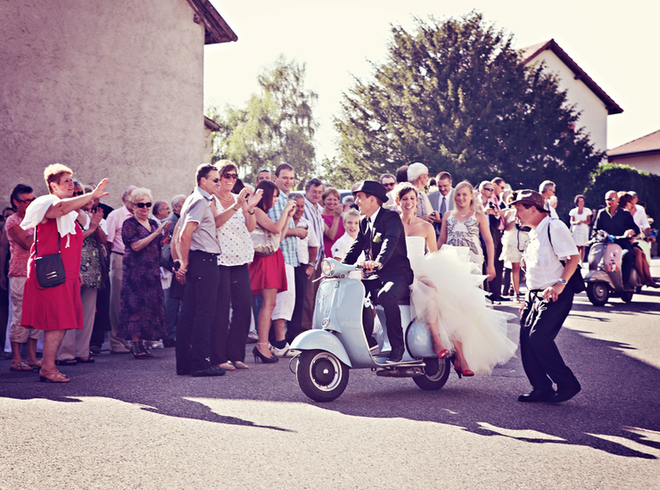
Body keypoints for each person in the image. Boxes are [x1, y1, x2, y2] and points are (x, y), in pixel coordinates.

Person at [20, 164, 109, 382]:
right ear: (53, 185)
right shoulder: (48, 203)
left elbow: (73, 240)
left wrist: (92, 226)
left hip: (66, 273)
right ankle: (48, 369)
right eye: (66, 181)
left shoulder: (70, 211)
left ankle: (48, 367)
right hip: (52, 272)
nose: (71, 184)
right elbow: (58, 210)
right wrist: (92, 194)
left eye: (71, 180)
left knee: (61, 322)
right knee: (56, 322)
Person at [512, 189, 581, 403]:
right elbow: (534, 273)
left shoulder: (555, 226)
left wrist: (560, 286)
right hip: (535, 295)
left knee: (539, 338)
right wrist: (525, 298)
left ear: (533, 209)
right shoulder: (534, 234)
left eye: (519, 210)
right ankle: (541, 388)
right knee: (526, 340)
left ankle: (568, 385)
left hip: (555, 293)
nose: (516, 215)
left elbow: (573, 258)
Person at [343, 181, 413, 363]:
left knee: (386, 295)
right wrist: (339, 267)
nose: (356, 201)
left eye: (359, 197)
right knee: (352, 290)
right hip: (378, 275)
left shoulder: (390, 217)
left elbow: (390, 242)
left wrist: (378, 262)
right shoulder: (364, 222)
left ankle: (397, 348)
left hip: (398, 274)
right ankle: (366, 340)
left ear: (372, 199)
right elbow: (356, 247)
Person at [173, 164, 225, 377]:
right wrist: (184, 262)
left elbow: (181, 234)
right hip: (203, 260)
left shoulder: (193, 200)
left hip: (199, 259)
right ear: (203, 181)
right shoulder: (200, 201)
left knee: (188, 314)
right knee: (204, 313)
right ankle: (201, 364)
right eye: (215, 180)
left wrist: (185, 262)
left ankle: (185, 364)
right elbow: (185, 234)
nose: (218, 183)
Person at [212, 161, 263, 370]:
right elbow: (216, 222)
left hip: (240, 258)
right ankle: (218, 356)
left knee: (243, 306)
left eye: (234, 176)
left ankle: (236, 354)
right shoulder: (211, 199)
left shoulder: (238, 199)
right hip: (221, 259)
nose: (232, 180)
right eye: (227, 176)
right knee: (221, 309)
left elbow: (250, 227)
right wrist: (236, 205)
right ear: (219, 178)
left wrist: (249, 208)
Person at [117, 188, 170, 358]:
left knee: (149, 308)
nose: (146, 208)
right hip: (135, 273)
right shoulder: (129, 224)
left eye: (148, 204)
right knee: (135, 308)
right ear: (133, 206)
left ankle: (144, 344)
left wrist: (165, 234)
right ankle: (135, 344)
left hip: (151, 272)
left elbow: (159, 244)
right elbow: (136, 246)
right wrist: (155, 234)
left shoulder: (153, 223)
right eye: (141, 205)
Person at [57, 186, 107, 364]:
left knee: (87, 313)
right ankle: (65, 353)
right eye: (76, 193)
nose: (79, 196)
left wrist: (97, 225)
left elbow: (103, 240)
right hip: (73, 268)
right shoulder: (64, 214)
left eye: (80, 194)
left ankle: (82, 351)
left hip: (92, 269)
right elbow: (70, 240)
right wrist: (92, 228)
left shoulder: (88, 215)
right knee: (69, 311)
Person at [248, 180, 297, 363]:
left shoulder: (263, 212)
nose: (277, 200)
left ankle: (263, 344)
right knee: (267, 304)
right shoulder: (258, 211)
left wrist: (288, 216)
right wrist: (285, 212)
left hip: (273, 257)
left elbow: (278, 238)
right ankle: (262, 345)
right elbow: (276, 228)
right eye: (275, 196)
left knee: (270, 304)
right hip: (265, 261)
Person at [267, 163, 304, 357]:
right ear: (276, 178)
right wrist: (296, 231)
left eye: (291, 178)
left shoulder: (286, 199)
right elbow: (274, 228)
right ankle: (279, 343)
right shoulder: (278, 200)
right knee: (282, 300)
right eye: (284, 178)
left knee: (287, 300)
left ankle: (279, 342)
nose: (288, 181)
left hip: (290, 256)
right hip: (280, 256)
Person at [5, 184, 40, 372]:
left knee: (36, 316)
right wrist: (42, 229)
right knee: (20, 316)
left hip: (37, 273)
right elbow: (27, 243)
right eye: (26, 200)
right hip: (19, 274)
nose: (30, 203)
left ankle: (32, 357)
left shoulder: (36, 220)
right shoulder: (13, 221)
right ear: (16, 202)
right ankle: (16, 358)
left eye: (32, 200)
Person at [105, 185, 136, 354]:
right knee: (117, 301)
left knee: (133, 302)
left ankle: (132, 341)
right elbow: (108, 241)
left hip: (137, 262)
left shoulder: (141, 215)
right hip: (120, 258)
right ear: (124, 199)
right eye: (132, 197)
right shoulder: (115, 215)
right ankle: (116, 342)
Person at [591, 191, 639, 284]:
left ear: (617, 200)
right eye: (608, 199)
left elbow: (635, 228)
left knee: (627, 255)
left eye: (613, 199)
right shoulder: (601, 213)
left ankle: (624, 283)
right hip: (605, 243)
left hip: (622, 243)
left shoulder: (625, 213)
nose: (610, 201)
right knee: (594, 257)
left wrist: (631, 231)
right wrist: (596, 236)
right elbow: (595, 230)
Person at [301, 178, 325, 331]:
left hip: (319, 259)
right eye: (314, 192)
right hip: (309, 259)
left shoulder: (318, 209)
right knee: (307, 298)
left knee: (316, 297)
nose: (317, 195)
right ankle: (304, 332)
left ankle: (313, 329)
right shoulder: (303, 207)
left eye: (320, 192)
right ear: (306, 191)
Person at [618, 193, 657, 287]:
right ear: (627, 202)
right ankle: (643, 278)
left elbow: (642, 226)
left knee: (642, 254)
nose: (633, 204)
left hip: (631, 241)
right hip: (622, 242)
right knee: (638, 253)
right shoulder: (622, 214)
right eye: (631, 202)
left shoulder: (638, 210)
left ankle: (649, 279)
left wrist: (648, 235)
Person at [500, 193, 530, 302]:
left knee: (529, 267)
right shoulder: (508, 212)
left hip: (525, 240)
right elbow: (506, 228)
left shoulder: (526, 211)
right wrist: (514, 220)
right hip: (513, 242)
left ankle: (530, 292)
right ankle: (516, 293)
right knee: (515, 268)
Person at [320, 187, 345, 260]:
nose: (332, 202)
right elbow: (331, 236)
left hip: (342, 253)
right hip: (329, 254)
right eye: (329, 199)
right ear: (324, 201)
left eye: (335, 200)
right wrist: (336, 217)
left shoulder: (342, 215)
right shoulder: (321, 218)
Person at [568, 194, 591, 263]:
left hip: (584, 230)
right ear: (577, 203)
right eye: (579, 201)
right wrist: (576, 222)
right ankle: (576, 261)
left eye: (582, 201)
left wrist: (582, 222)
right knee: (576, 246)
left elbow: (589, 221)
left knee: (583, 247)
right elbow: (571, 221)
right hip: (576, 230)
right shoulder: (573, 211)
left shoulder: (587, 211)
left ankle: (581, 261)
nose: (581, 203)